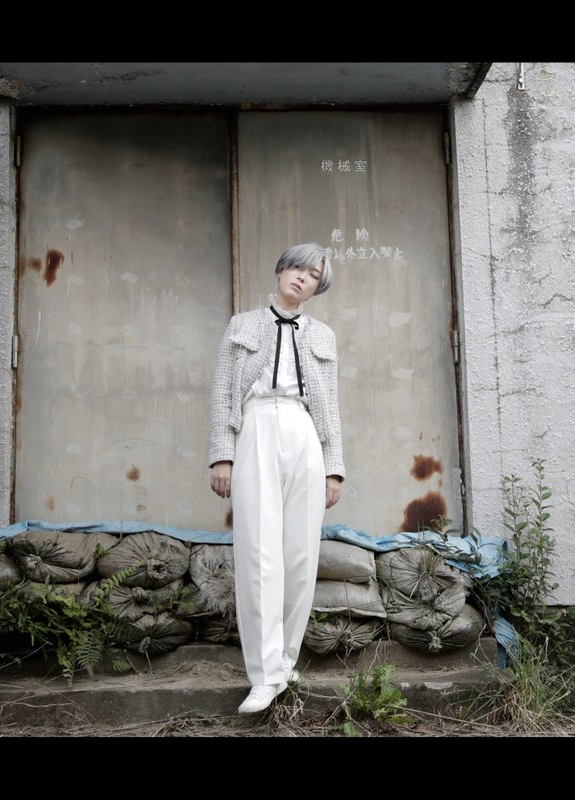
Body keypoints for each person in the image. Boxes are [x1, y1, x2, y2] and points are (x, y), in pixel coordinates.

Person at [207, 243, 345, 714]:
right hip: (256, 426)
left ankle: (285, 661)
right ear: (282, 269)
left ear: (317, 287)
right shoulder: (242, 325)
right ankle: (264, 675)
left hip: (305, 432)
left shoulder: (323, 335)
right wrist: (222, 456)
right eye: (298, 268)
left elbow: (330, 404)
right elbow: (222, 392)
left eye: (314, 275)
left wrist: (333, 467)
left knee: (300, 556)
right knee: (259, 553)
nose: (303, 277)